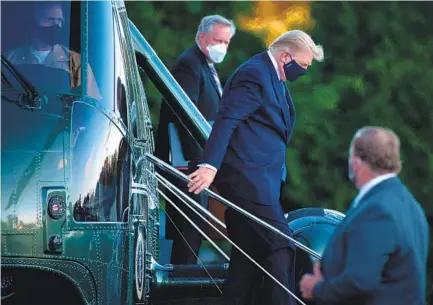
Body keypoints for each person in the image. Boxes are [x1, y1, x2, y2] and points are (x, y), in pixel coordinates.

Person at [187, 30, 324, 305]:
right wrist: (210, 165)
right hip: (248, 182)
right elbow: (226, 120)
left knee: (246, 261)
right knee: (281, 246)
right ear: (285, 56)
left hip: (263, 183)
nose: (304, 71)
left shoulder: (275, 77)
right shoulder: (255, 74)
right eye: (304, 64)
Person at [300, 126, 430, 305]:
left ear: (356, 162)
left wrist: (316, 288)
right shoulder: (411, 205)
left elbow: (360, 282)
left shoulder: (377, 210)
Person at [154, 15, 236, 264]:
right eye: (217, 40)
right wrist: (199, 163)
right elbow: (184, 115)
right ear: (202, 38)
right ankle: (179, 293)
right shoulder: (189, 64)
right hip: (188, 166)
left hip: (196, 163)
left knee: (195, 231)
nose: (222, 46)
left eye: (226, 42)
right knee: (187, 234)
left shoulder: (206, 64)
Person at [3, 1, 101, 100]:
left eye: (59, 20)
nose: (56, 25)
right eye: (49, 20)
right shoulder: (8, 60)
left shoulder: (76, 63)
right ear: (33, 21)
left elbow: (91, 105)